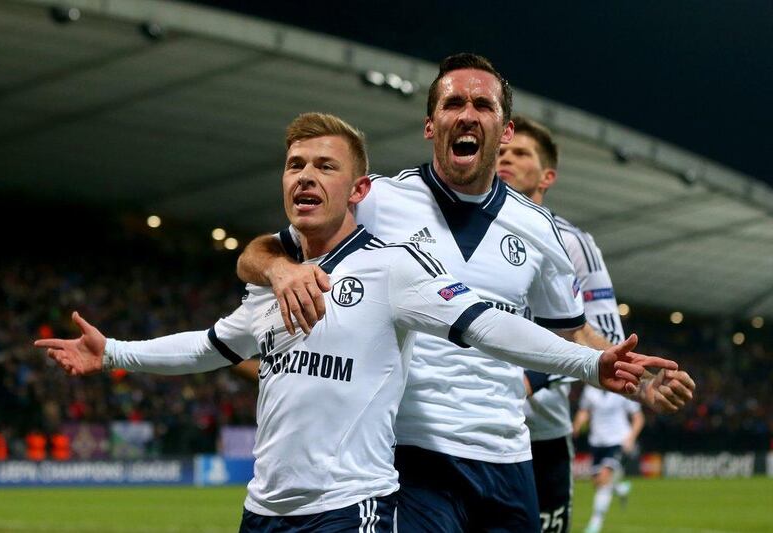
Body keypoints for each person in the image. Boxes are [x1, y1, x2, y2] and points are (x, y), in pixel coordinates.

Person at [35, 112, 674, 533]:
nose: (306, 177)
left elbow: (483, 323)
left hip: (352, 510)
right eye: (295, 166)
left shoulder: (394, 270)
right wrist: (113, 351)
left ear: (360, 190)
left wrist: (591, 360)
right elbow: (208, 347)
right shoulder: (276, 281)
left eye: (325, 167)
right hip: (262, 510)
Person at [236, 55, 695, 532]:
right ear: (431, 126)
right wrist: (280, 270)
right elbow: (257, 252)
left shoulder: (538, 229)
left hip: (507, 457)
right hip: (408, 457)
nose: (467, 114)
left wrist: (629, 375)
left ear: (506, 129)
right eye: (453, 103)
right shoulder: (375, 201)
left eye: (483, 104)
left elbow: (571, 331)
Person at [497, 115, 694, 533]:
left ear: (546, 175)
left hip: (540, 433)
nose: (505, 158)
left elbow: (600, 343)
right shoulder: (453, 230)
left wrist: (530, 379)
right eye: (500, 151)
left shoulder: (572, 243)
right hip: (451, 429)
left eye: (519, 152)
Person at [573, 385, 645, 533]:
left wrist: (631, 438)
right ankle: (619, 489)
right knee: (597, 482)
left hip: (618, 440)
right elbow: (584, 411)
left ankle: (595, 524)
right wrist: (577, 425)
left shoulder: (624, 388)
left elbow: (638, 418)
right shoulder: (589, 389)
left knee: (604, 477)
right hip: (597, 442)